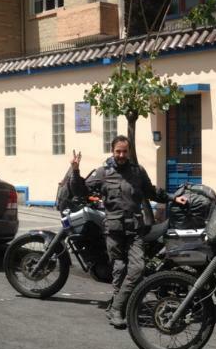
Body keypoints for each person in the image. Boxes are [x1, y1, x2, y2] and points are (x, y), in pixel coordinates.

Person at [67, 136, 186, 329]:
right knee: (119, 270)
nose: (121, 155)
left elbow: (152, 192)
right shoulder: (102, 172)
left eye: (124, 151)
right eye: (118, 151)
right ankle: (118, 311)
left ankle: (116, 307)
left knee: (137, 269)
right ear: (112, 151)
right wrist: (75, 170)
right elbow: (79, 191)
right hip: (113, 231)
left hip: (135, 229)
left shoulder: (138, 172)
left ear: (128, 151)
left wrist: (173, 198)